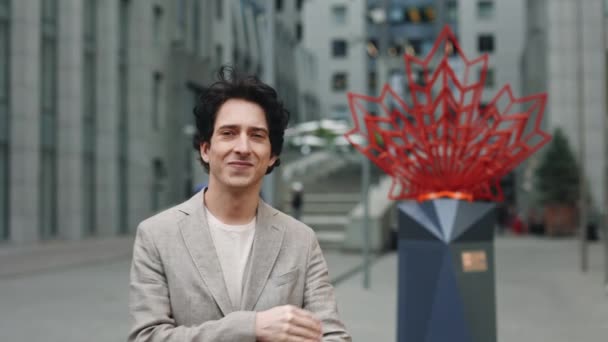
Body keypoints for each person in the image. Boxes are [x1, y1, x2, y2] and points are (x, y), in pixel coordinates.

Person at [128, 67, 350, 342]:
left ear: (272, 156)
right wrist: (250, 327)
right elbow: (147, 337)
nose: (243, 147)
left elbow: (333, 337)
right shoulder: (157, 236)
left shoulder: (301, 240)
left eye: (257, 135)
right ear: (206, 149)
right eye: (229, 133)